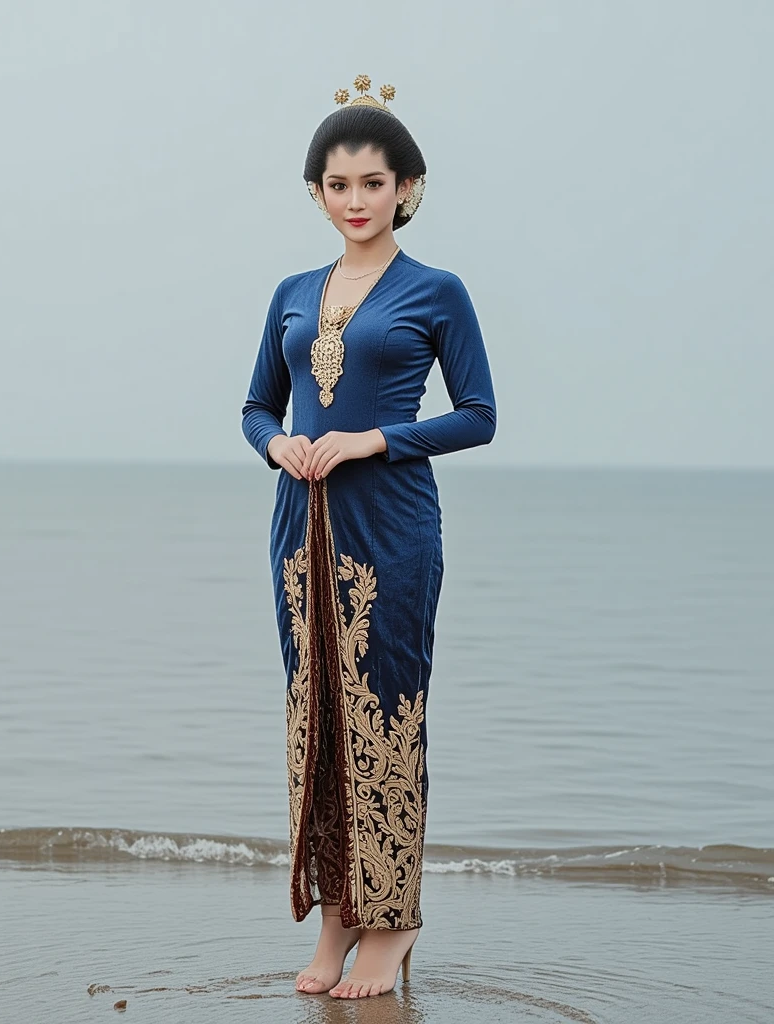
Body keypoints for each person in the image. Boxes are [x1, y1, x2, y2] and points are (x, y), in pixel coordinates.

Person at [241, 75, 497, 1000]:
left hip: (390, 525)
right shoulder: (291, 291)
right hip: (299, 526)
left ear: (405, 188)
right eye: (338, 185)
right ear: (316, 191)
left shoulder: (437, 290)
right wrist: (277, 443)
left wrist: (374, 437)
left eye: (374, 183)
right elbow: (255, 405)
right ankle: (339, 918)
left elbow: (479, 416)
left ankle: (396, 923)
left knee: (386, 714)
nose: (356, 201)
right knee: (314, 716)